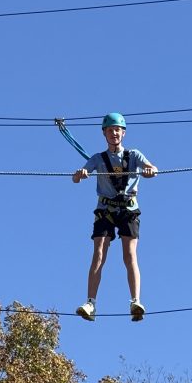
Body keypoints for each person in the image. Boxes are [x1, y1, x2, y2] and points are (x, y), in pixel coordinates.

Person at [72, 112, 157, 322]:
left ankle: (135, 301)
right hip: (106, 209)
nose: (114, 133)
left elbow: (152, 168)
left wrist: (149, 171)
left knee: (129, 255)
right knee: (99, 253)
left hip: (128, 209)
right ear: (104, 134)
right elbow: (76, 177)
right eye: (110, 130)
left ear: (123, 133)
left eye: (117, 130)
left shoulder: (134, 155)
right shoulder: (98, 159)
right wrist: (81, 174)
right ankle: (90, 302)